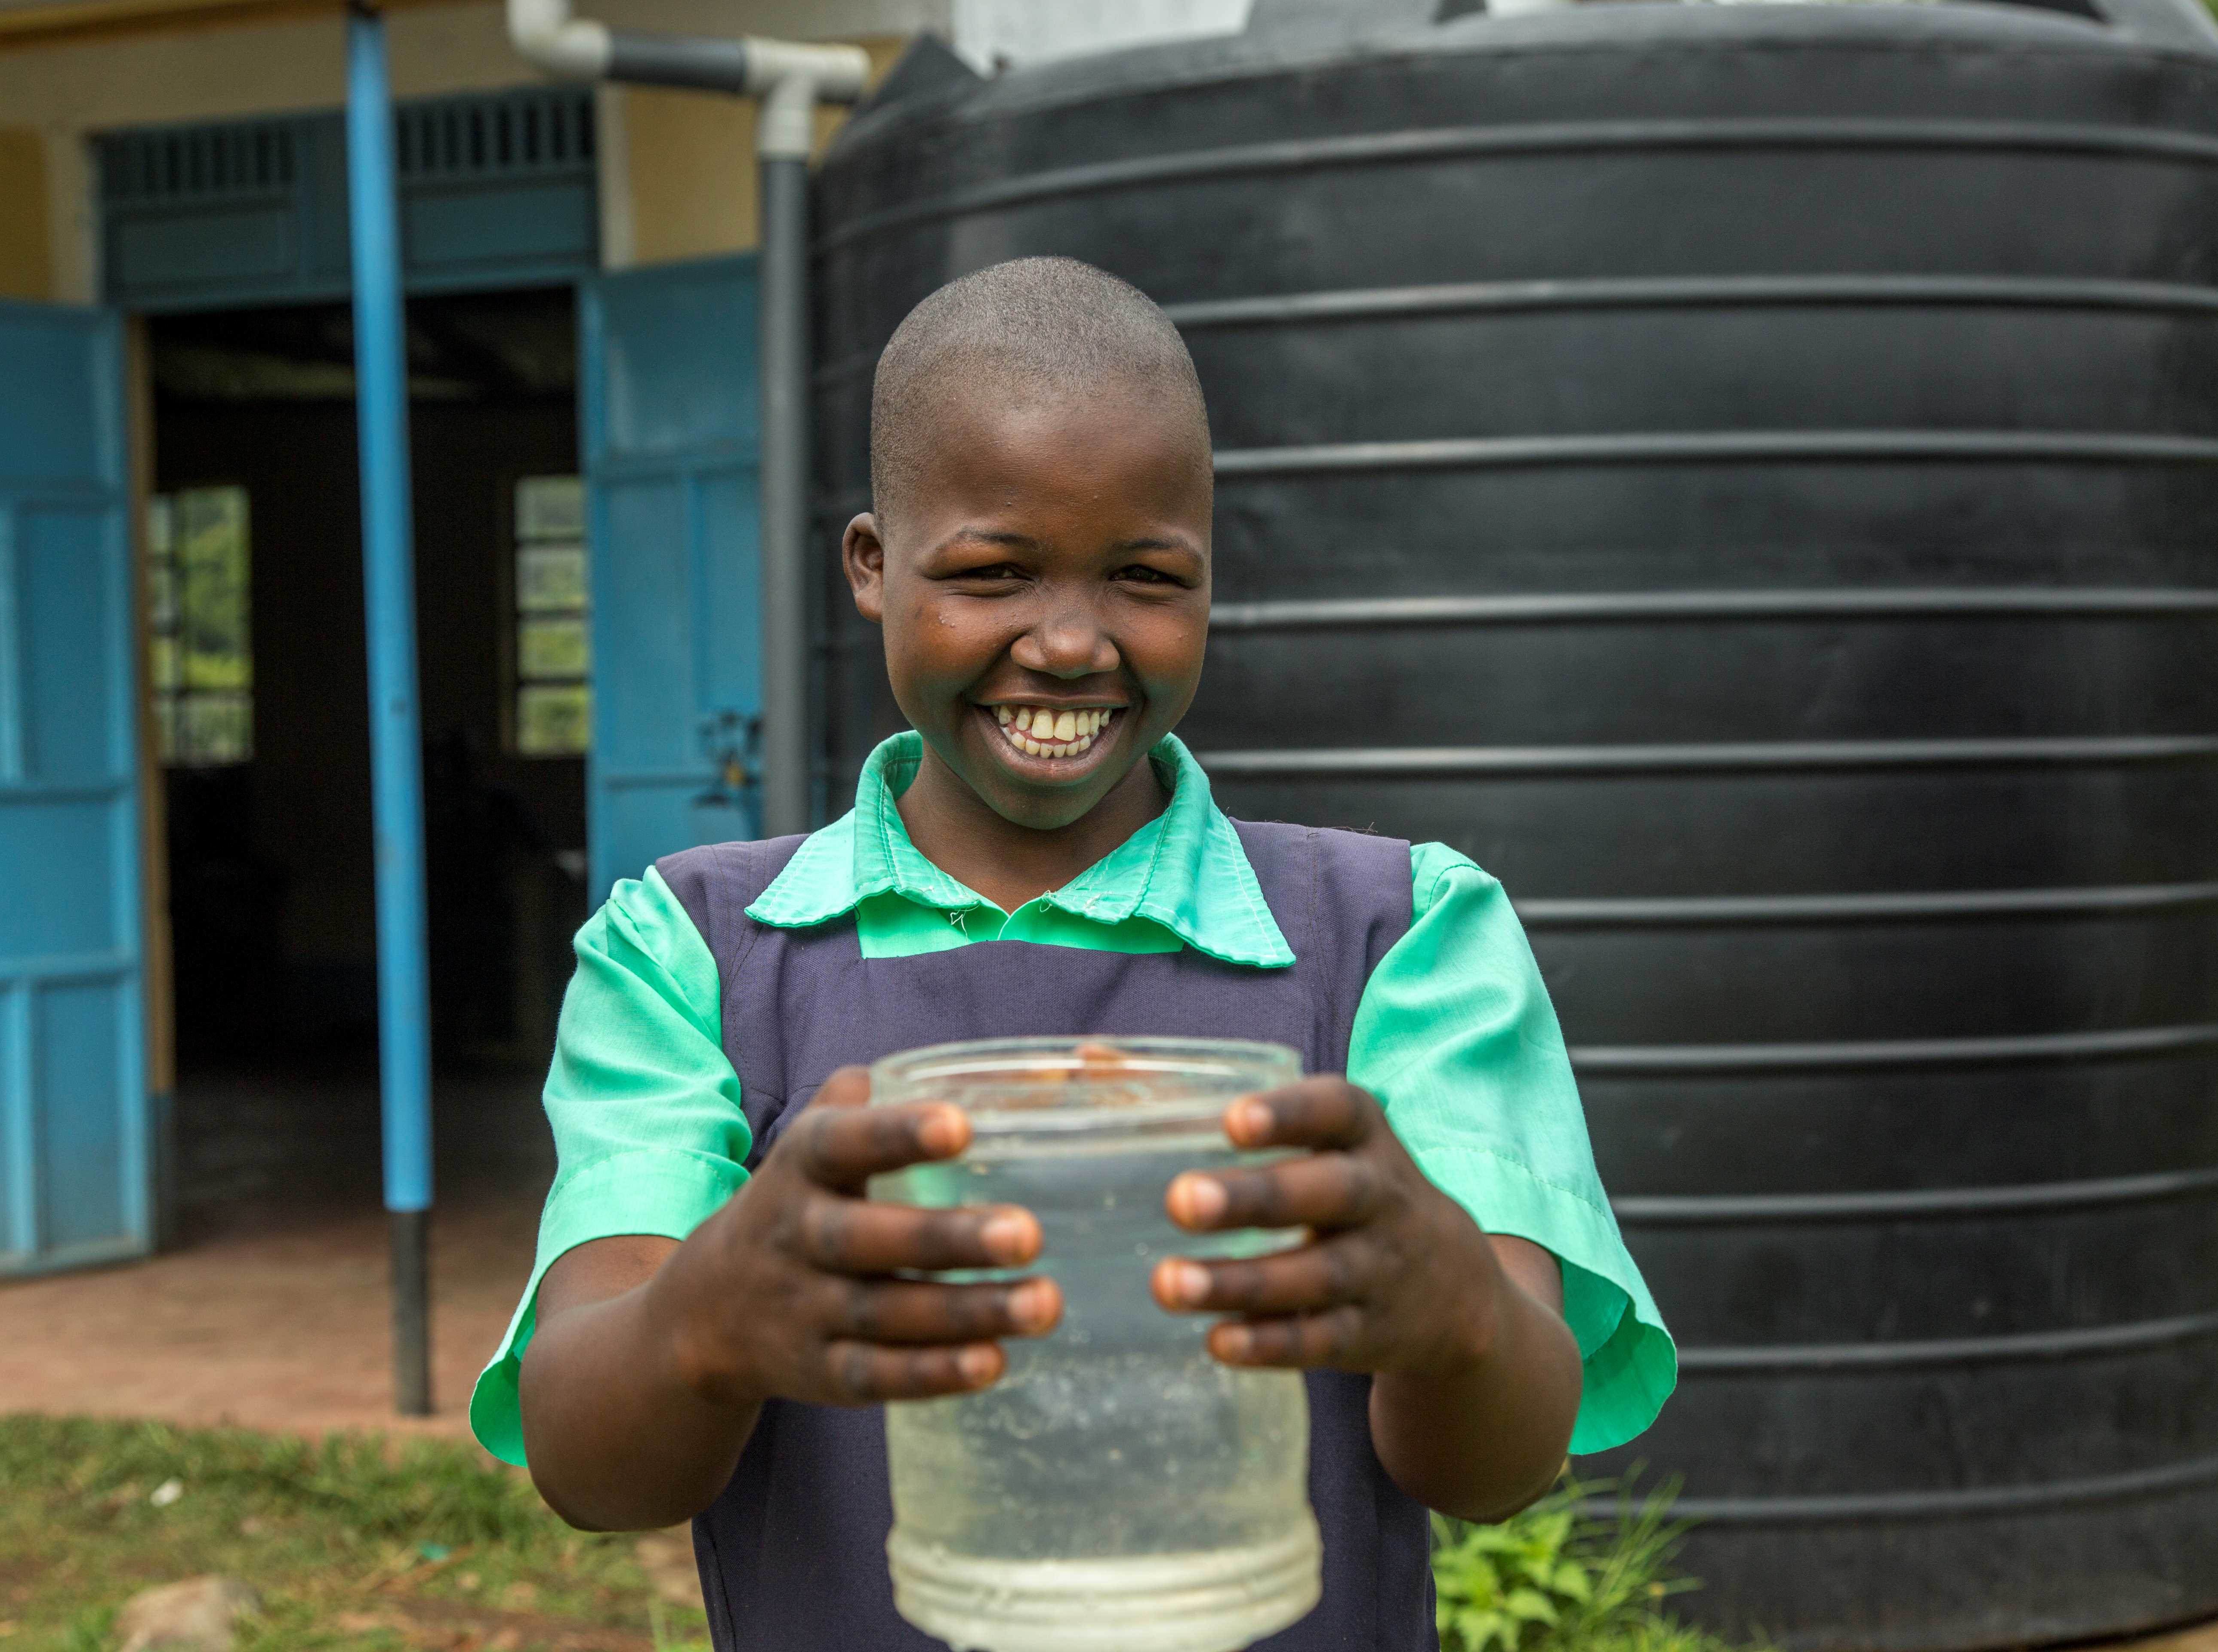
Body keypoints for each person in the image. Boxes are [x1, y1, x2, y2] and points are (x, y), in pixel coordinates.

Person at [469, 256, 1675, 1652]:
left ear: (1211, 576)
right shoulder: (694, 957)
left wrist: (1455, 1307)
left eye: (1146, 578)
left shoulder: (1399, 938)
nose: (1067, 641)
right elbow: (589, 1467)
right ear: (871, 567)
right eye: (991, 574)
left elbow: (1498, 1466)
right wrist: (707, 1319)